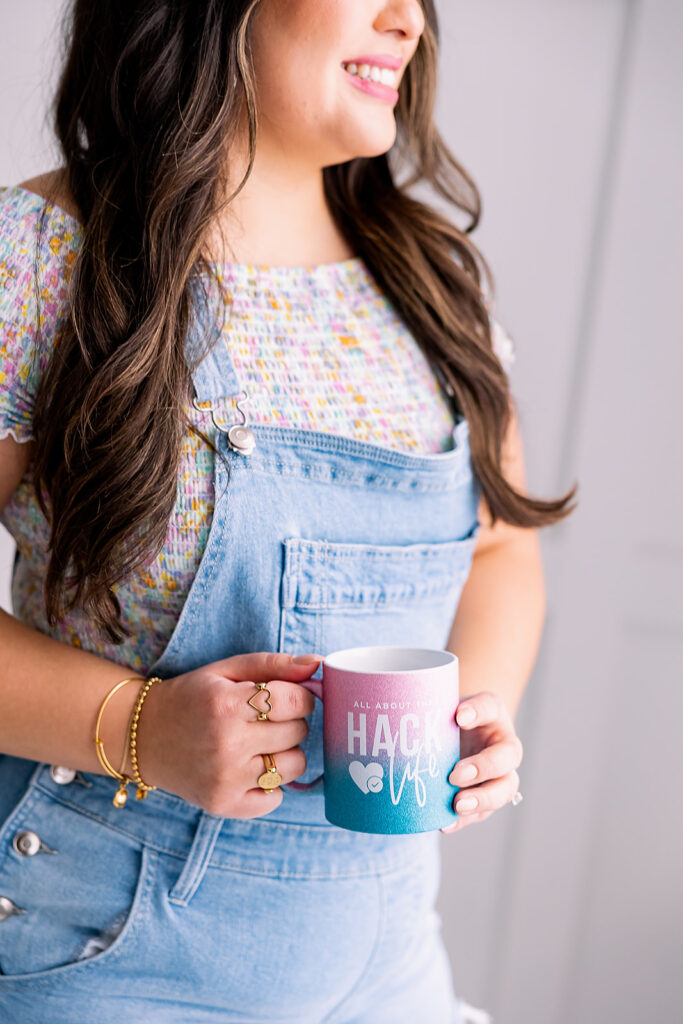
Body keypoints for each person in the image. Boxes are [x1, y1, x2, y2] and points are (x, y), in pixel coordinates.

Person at [0, 1, 577, 1020]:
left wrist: (466, 721)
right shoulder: (40, 259)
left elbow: (500, 550)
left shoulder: (431, 283)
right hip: (103, 959)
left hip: (385, 967)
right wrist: (140, 727)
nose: (409, 21)